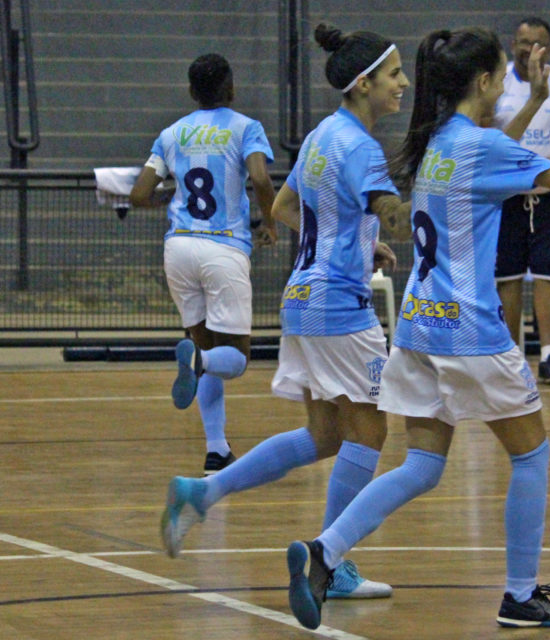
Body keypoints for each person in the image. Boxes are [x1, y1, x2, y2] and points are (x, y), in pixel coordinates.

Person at [285, 27, 550, 630]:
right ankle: (520, 594)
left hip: (419, 326)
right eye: (503, 77)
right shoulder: (481, 147)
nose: (506, 86)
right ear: (481, 82)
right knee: (532, 455)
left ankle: (325, 550)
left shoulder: (437, 144)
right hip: (471, 332)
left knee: (422, 466)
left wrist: (531, 101)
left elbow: (495, 157)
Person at [158, 23, 412, 599]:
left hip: (301, 297)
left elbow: (283, 206)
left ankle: (204, 492)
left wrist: (353, 237)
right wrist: (427, 220)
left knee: (324, 436)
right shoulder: (362, 147)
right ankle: (332, 561)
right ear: (364, 83)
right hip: (340, 307)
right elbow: (392, 210)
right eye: (395, 75)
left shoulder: (324, 135)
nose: (404, 84)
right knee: (370, 434)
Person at [130, 53, 277, 475]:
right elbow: (262, 179)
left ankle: (217, 451)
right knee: (232, 358)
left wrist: (168, 199)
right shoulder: (245, 127)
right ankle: (201, 364)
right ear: (231, 88)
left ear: (192, 92)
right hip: (223, 248)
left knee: (205, 344)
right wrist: (270, 222)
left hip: (178, 250)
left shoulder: (171, 134)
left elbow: (139, 194)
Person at [491, 16, 550, 385]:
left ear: (549, 49)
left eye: (536, 43)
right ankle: (512, 356)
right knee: (507, 277)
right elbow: (482, 129)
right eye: (523, 41)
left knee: (546, 273)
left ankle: (549, 356)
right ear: (514, 44)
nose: (528, 49)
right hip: (507, 196)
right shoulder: (499, 83)